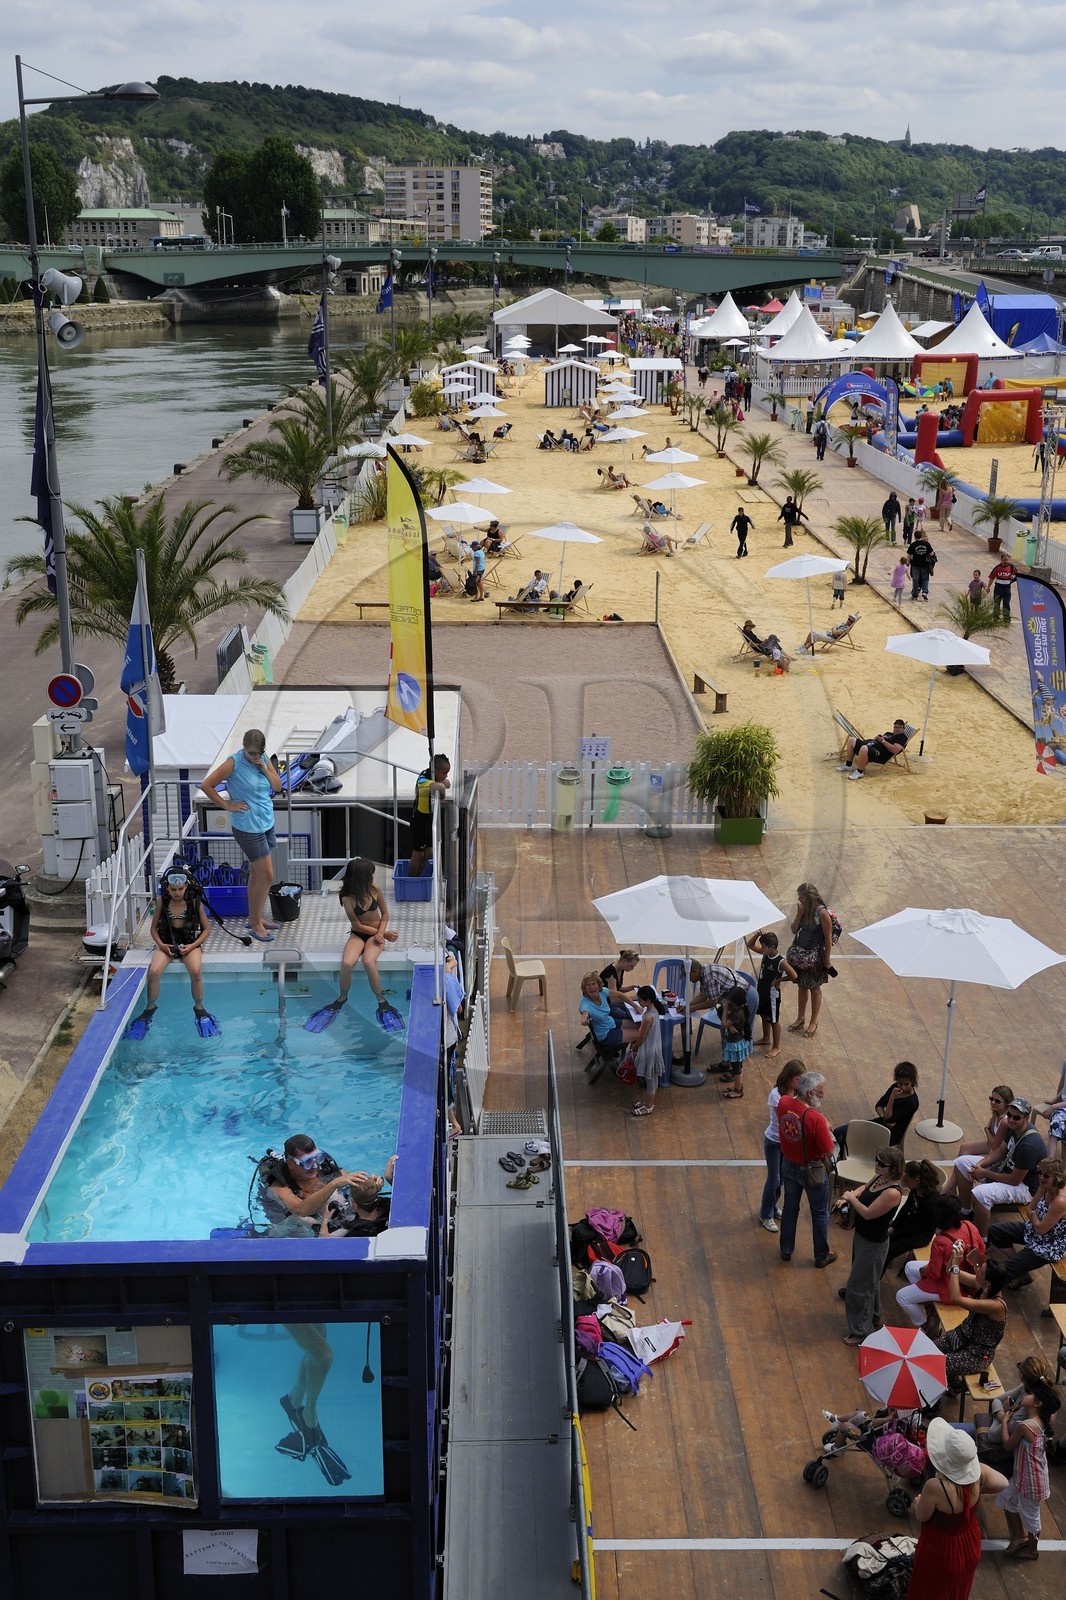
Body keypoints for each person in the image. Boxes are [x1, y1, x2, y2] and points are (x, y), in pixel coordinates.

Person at [905, 1419, 1006, 1600]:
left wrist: (918, 1503)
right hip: (969, 1543)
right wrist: (980, 1487)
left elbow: (922, 1516)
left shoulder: (935, 1486)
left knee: (931, 1592)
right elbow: (1003, 1483)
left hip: (941, 1550)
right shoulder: (979, 1475)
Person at [200, 729, 283, 943]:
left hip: (265, 822)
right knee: (267, 876)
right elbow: (206, 785)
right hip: (247, 827)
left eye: (259, 752)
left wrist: (264, 767)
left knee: (257, 876)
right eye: (252, 753)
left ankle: (254, 917)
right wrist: (227, 805)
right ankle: (255, 924)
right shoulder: (233, 763)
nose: (256, 756)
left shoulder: (263, 759)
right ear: (244, 748)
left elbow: (278, 786)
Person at [304, 859, 402, 1035]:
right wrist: (384, 934)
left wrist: (381, 933)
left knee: (368, 962)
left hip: (376, 935)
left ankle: (381, 1000)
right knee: (347, 963)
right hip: (359, 934)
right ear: (361, 878)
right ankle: (342, 997)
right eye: (370, 875)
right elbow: (356, 925)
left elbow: (385, 914)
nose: (373, 877)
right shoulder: (347, 897)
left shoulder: (375, 890)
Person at [123, 867, 218, 1040]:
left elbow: (206, 930)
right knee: (153, 972)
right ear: (167, 888)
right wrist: (161, 945)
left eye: (180, 889)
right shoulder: (162, 901)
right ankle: (150, 1008)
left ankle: (199, 1008)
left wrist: (192, 946)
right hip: (167, 943)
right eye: (173, 889)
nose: (176, 893)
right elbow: (153, 929)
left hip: (190, 944)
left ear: (187, 887)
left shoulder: (195, 902)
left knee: (196, 972)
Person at [832, 1145, 903, 1343]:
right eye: (876, 1159)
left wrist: (849, 1197)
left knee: (858, 1287)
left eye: (881, 1163)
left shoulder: (892, 1193)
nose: (876, 1164)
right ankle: (873, 1316)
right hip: (863, 1238)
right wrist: (853, 1194)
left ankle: (861, 1331)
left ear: (893, 1168)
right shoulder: (879, 1177)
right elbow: (865, 1188)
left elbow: (867, 1213)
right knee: (868, 1282)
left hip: (874, 1245)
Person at [953, 1098, 1047, 1236]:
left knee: (980, 1194)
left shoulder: (1029, 1146)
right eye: (1009, 1115)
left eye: (1016, 1117)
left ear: (1026, 1118)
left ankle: (983, 1240)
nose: (1011, 1119)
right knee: (961, 1162)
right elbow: (1000, 1151)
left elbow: (1014, 1180)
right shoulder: (1012, 1127)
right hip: (1006, 1170)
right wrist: (979, 1165)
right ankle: (966, 1212)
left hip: (1024, 1186)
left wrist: (984, 1173)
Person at [776, 1070, 837, 1267]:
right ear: (809, 1093)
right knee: (819, 1213)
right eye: (820, 1091)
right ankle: (821, 1256)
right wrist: (825, 1127)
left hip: (788, 1165)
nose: (823, 1094)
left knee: (790, 1208)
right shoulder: (815, 1119)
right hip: (813, 1170)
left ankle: (786, 1249)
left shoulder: (783, 1103)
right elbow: (828, 1151)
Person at [896, 1195, 984, 1327]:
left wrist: (922, 1270)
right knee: (909, 1267)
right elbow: (982, 1250)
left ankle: (925, 1325)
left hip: (950, 1286)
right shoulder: (969, 1225)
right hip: (969, 1279)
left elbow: (934, 1273)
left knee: (902, 1296)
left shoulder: (940, 1241)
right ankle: (930, 1306)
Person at [936, 1243, 1009, 1390]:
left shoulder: (996, 1305)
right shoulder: (983, 1286)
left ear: (988, 1282)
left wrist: (957, 1266)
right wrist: (955, 1255)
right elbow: (950, 1271)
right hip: (961, 1336)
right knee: (928, 1352)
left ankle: (945, 1393)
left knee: (937, 1366)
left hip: (976, 1353)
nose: (976, 1270)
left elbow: (957, 1298)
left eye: (980, 1271)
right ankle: (954, 1386)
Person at [986, 1157, 1066, 1286]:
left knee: (1004, 1270)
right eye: (1039, 1172)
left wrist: (1033, 1215)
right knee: (995, 1231)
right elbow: (1029, 1208)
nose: (1041, 1177)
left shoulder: (1061, 1201)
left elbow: (1040, 1228)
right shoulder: (1044, 1187)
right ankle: (1022, 1272)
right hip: (1033, 1229)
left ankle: (1014, 1272)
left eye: (1046, 1175)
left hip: (1049, 1245)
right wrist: (1034, 1217)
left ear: (1058, 1178)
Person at [996, 1384, 1054, 1559]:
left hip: (1031, 1481)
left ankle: (1032, 1550)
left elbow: (1007, 1444)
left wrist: (1005, 1422)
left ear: (1037, 1403)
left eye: (1029, 1393)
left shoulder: (1025, 1426)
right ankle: (1020, 1537)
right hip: (1024, 1476)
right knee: (1006, 1496)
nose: (1024, 1395)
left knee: (1031, 1516)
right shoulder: (1043, 1420)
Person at [758, 1058, 805, 1233]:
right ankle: (765, 1215)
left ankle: (771, 1206)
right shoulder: (776, 1095)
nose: (801, 1083)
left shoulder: (798, 1094)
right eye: (798, 1079)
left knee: (782, 1179)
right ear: (789, 1077)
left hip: (788, 1144)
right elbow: (786, 1118)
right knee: (774, 1179)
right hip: (774, 1142)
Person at [835, 1061, 919, 1155]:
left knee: (851, 1137)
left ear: (912, 1082)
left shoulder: (911, 1102)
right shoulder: (895, 1087)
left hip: (890, 1134)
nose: (903, 1087)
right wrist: (884, 1118)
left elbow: (889, 1117)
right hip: (880, 1123)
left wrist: (892, 1097)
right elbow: (879, 1106)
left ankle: (846, 1157)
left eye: (906, 1084)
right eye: (900, 1083)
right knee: (839, 1132)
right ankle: (842, 1157)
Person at [785, 883, 835, 1038]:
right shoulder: (803, 910)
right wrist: (799, 914)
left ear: (809, 898)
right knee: (801, 986)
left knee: (814, 988)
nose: (799, 900)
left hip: (815, 957)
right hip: (801, 955)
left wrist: (827, 960)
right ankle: (801, 1018)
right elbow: (794, 929)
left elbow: (827, 938)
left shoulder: (822, 914)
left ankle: (814, 1021)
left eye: (801, 897)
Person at [944, 1084, 1016, 1190]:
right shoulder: (996, 1113)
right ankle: (953, 1184)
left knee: (965, 1161)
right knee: (964, 1147)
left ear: (1006, 1103)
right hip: (993, 1144)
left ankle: (952, 1186)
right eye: (991, 1099)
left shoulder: (1004, 1121)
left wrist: (986, 1129)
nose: (993, 1102)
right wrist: (989, 1130)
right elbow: (992, 1138)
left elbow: (994, 1145)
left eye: (997, 1101)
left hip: (999, 1151)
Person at [883, 1158, 944, 1275]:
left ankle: (874, 1282)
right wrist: (893, 1226)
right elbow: (905, 1209)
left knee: (888, 1250)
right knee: (882, 1231)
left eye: (907, 1180)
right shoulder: (915, 1190)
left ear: (917, 1180)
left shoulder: (931, 1201)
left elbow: (915, 1227)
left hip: (920, 1235)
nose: (905, 1183)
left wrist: (893, 1235)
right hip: (909, 1224)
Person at [744, 929, 797, 1058]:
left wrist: (779, 980)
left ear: (772, 947)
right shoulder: (766, 953)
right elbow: (750, 945)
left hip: (772, 995)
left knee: (774, 1020)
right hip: (762, 990)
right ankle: (766, 1037)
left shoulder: (780, 962)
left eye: (764, 947)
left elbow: (794, 976)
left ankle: (776, 1047)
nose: (762, 949)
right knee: (763, 1014)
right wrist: (757, 935)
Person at [578, 972, 641, 1055]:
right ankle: (632, 1059)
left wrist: (635, 1006)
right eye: (588, 985)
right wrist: (584, 1020)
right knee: (642, 1033)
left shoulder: (602, 992)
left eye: (593, 984)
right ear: (584, 988)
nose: (591, 987)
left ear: (598, 985)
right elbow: (584, 1014)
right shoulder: (585, 1005)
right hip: (605, 1035)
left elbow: (620, 995)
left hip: (610, 1022)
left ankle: (633, 1054)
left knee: (640, 1025)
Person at [629, 985, 669, 1117]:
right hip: (655, 1047)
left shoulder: (648, 1018)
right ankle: (648, 1101)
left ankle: (649, 1106)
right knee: (653, 1077)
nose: (639, 1003)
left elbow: (641, 1037)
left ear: (648, 1001)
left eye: (640, 1000)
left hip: (648, 1049)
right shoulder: (655, 1010)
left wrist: (635, 1047)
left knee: (650, 1078)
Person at [409, 753, 451, 878]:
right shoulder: (422, 779)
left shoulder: (435, 777)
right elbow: (440, 786)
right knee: (418, 854)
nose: (446, 776)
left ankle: (418, 878)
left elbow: (447, 783)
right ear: (435, 771)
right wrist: (442, 789)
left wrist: (442, 781)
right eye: (444, 773)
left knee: (428, 854)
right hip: (419, 820)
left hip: (429, 820)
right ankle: (411, 880)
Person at [836, 718, 909, 780]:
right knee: (851, 740)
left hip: (880, 754)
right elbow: (879, 740)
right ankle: (848, 765)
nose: (896, 729)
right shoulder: (889, 733)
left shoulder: (902, 738)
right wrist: (877, 738)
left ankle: (860, 772)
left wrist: (883, 741)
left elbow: (895, 750)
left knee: (864, 748)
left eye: (899, 727)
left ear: (903, 728)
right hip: (871, 745)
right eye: (895, 727)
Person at [717, 986, 753, 1099]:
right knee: (738, 1066)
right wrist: (731, 1025)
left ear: (735, 1003)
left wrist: (726, 1008)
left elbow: (723, 1024)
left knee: (736, 1068)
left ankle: (738, 1091)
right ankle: (738, 1086)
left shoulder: (736, 1013)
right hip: (738, 1041)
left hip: (735, 1044)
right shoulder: (739, 1010)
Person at [1036, 1058, 1066, 1158]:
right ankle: (1050, 1163)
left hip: (1062, 1106)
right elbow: (1064, 1087)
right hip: (1063, 1106)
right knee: (1056, 1124)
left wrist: (1054, 1106)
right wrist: (1055, 1099)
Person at [797, 612, 862, 653]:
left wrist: (834, 630)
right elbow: (834, 629)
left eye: (850, 620)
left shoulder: (846, 628)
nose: (848, 620)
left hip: (831, 638)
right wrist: (834, 630)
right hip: (829, 634)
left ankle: (805, 649)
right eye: (848, 619)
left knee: (815, 635)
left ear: (852, 622)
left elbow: (835, 632)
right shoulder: (844, 624)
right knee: (812, 632)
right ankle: (804, 646)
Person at [987, 557, 1019, 623]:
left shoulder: (1011, 567)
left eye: (1007, 560)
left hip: (1007, 589)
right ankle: (995, 619)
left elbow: (1017, 574)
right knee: (996, 604)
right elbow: (992, 578)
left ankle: (1006, 620)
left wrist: (1013, 576)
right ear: (1001, 560)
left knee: (1006, 604)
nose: (1006, 561)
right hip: (998, 588)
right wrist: (988, 587)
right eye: (1004, 560)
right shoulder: (997, 568)